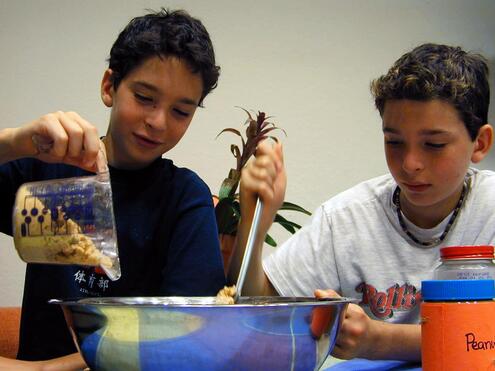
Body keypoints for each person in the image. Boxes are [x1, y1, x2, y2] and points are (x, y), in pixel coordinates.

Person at [0, 8, 275, 370]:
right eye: (145, 97)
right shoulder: (48, 169)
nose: (157, 122)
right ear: (109, 86)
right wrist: (17, 141)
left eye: (180, 111)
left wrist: (49, 368)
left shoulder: (184, 197)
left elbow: (184, 338)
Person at [232, 43, 494, 362]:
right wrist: (254, 223)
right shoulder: (347, 218)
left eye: (434, 144)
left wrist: (381, 340)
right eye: (394, 142)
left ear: (479, 143)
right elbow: (260, 311)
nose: (410, 163)